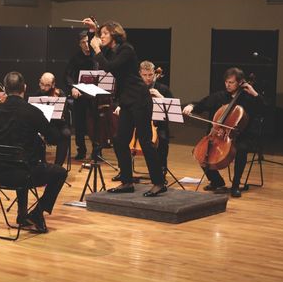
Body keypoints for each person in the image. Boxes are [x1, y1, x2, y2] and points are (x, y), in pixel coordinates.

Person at [84, 18, 166, 197]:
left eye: (105, 34)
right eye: (101, 34)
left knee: (145, 141)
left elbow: (108, 66)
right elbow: (93, 52)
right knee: (120, 140)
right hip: (127, 100)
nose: (102, 37)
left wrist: (97, 48)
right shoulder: (111, 50)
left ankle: (159, 182)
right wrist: (93, 30)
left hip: (139, 98)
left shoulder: (126, 49)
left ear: (114, 35)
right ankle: (127, 181)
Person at [0, 72, 68, 232]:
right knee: (59, 172)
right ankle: (37, 213)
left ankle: (22, 214)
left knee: (20, 160)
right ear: (24, 88)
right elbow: (54, 138)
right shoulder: (32, 112)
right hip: (23, 174)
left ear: (5, 89)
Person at [182, 67, 263, 198]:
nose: (228, 85)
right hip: (217, 135)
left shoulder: (248, 98)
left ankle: (235, 185)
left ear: (240, 82)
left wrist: (255, 93)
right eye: (226, 82)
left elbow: (264, 108)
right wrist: (192, 106)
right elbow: (203, 104)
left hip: (241, 136)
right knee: (200, 151)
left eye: (231, 82)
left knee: (241, 150)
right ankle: (216, 181)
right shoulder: (219, 96)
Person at [64, 31, 97, 160]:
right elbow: (67, 75)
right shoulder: (75, 58)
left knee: (95, 124)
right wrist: (73, 87)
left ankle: (97, 151)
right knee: (79, 124)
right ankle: (81, 150)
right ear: (80, 44)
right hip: (80, 95)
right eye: (83, 42)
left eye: (88, 42)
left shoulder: (97, 56)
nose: (86, 45)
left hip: (95, 96)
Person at [139, 61, 173, 174]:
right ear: (140, 74)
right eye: (144, 75)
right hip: (139, 122)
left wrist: (160, 96)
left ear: (154, 74)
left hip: (158, 124)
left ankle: (162, 168)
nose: (148, 78)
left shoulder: (163, 88)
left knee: (162, 139)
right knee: (121, 137)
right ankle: (124, 170)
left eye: (150, 75)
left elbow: (172, 108)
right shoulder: (137, 87)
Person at [34, 72, 70, 166]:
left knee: (66, 134)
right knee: (35, 135)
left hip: (58, 125)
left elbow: (63, 114)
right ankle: (42, 164)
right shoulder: (37, 94)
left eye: (47, 85)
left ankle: (58, 166)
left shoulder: (60, 94)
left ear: (53, 84)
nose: (43, 88)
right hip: (44, 126)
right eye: (42, 84)